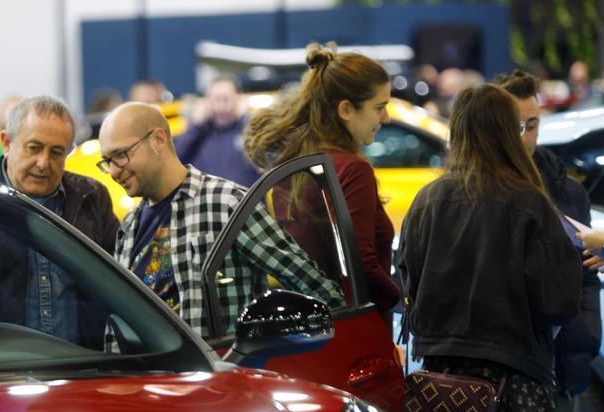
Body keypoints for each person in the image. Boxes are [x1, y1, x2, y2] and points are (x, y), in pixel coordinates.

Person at [397, 84, 583, 412]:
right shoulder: (529, 203)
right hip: (515, 393)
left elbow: (406, 284)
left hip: (442, 391)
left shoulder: (427, 201)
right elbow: (558, 303)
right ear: (507, 131)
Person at [97, 102, 343, 338]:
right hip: (149, 379)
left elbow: (309, 282)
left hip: (220, 374)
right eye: (107, 162)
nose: (115, 171)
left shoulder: (227, 203)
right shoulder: (129, 227)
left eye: (121, 155)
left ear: (158, 139)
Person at [496, 69, 603, 412]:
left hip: (560, 369)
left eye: (533, 123)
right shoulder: (474, 189)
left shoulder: (567, 190)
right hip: (501, 369)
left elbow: (590, 269)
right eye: (516, 126)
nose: (525, 136)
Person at [243, 42, 400, 327]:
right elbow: (360, 265)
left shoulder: (292, 167)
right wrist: (402, 301)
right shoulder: (353, 169)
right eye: (380, 107)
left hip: (307, 331)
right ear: (346, 109)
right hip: (358, 332)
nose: (385, 118)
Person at [0, 95, 119, 349]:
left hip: (84, 369)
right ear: (6, 143)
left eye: (56, 152)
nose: (44, 163)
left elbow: (119, 292)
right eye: (34, 148)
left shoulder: (92, 199)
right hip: (2, 373)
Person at [174, 74, 261, 187]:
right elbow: (175, 162)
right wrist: (195, 128)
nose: (221, 106)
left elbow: (269, 161)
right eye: (215, 99)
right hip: (207, 203)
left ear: (239, 97)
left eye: (226, 99)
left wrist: (247, 121)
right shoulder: (198, 132)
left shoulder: (248, 129)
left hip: (247, 202)